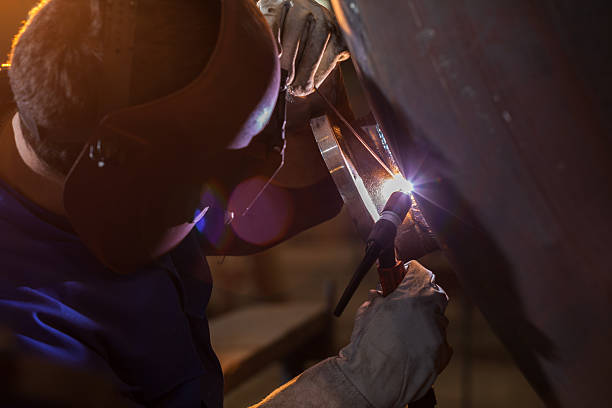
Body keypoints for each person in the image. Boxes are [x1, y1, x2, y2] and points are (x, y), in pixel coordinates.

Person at [0, 0, 451, 406]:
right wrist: (351, 390)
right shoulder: (28, 348)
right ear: (152, 192)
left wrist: (291, 92)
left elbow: (276, 199)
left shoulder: (104, 141)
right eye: (247, 144)